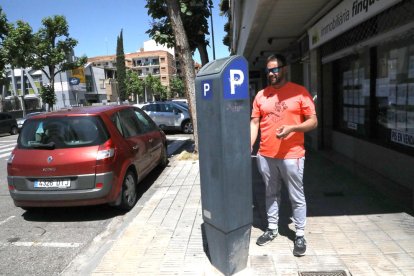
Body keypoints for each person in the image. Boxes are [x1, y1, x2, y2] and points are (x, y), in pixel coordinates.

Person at [250, 54, 317, 256]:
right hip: (266, 154)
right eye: (269, 70)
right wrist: (249, 145)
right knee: (270, 193)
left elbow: (313, 121)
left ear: (284, 68)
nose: (272, 73)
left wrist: (293, 128)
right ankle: (272, 229)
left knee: (296, 195)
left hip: (292, 155)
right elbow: (254, 123)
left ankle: (299, 234)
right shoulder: (261, 95)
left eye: (275, 69)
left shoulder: (299, 92)